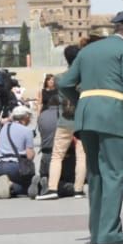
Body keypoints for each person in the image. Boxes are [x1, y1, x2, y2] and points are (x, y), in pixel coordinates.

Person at [59, 14, 123, 244]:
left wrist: (83, 102)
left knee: (96, 175)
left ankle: (100, 231)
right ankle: (109, 235)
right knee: (116, 174)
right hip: (112, 115)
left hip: (86, 117)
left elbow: (64, 83)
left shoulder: (88, 50)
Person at [40, 42, 89, 200]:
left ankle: (52, 188)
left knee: (57, 155)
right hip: (82, 120)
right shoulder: (85, 78)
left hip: (65, 120)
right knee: (82, 156)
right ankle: (79, 189)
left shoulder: (60, 78)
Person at [0, 104, 38, 198]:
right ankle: (11, 186)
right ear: (26, 117)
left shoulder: (5, 127)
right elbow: (29, 156)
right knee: (28, 187)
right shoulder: (27, 131)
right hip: (15, 167)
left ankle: (5, 184)